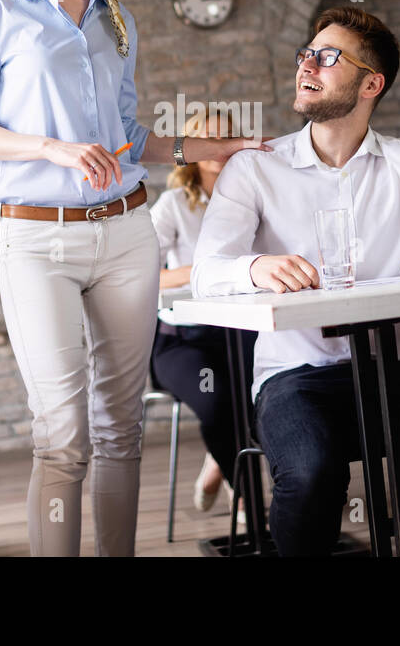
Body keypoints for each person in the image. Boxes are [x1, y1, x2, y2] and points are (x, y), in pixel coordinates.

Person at [0, 0, 267, 557]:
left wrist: (210, 149)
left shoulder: (116, 17)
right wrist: (50, 147)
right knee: (63, 436)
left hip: (126, 236)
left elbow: (128, 139)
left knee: (122, 428)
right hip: (37, 239)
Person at [192, 6, 400, 557]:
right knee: (312, 474)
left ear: (371, 84)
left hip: (397, 372)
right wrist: (254, 268)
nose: (306, 65)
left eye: (327, 57)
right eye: (305, 54)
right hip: (295, 377)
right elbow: (206, 273)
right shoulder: (255, 168)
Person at [150, 109, 255, 515]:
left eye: (226, 137)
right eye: (206, 140)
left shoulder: (252, 194)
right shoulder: (174, 204)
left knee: (272, 394)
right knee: (217, 402)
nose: (217, 148)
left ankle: (218, 462)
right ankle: (244, 493)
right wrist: (206, 272)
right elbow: (144, 275)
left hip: (242, 331)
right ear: (188, 151)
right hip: (183, 341)